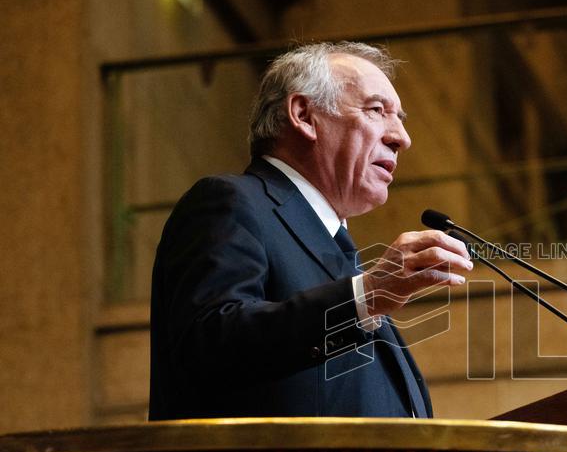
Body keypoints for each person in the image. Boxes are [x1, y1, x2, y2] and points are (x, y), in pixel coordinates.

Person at [148, 42, 473, 420]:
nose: (401, 136)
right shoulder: (231, 203)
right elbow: (210, 344)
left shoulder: (336, 248)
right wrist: (366, 296)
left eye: (400, 117)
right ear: (303, 115)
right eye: (377, 110)